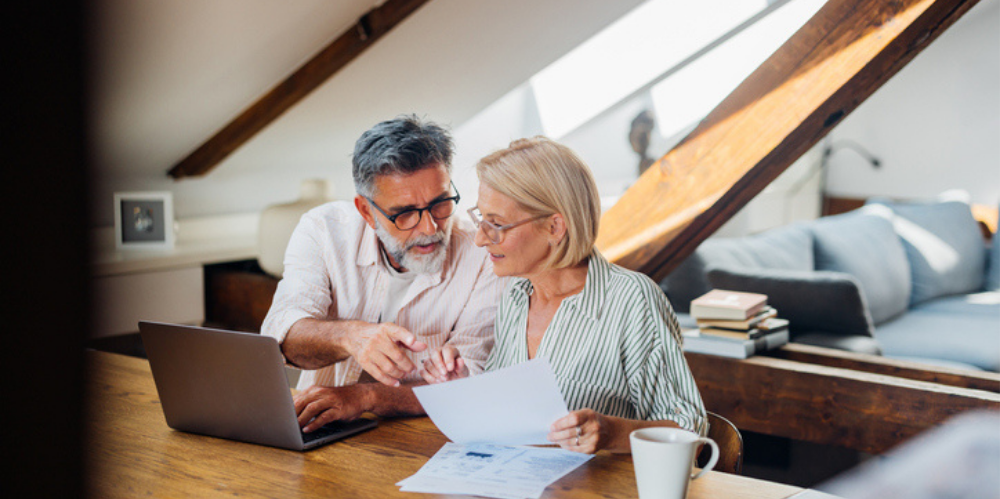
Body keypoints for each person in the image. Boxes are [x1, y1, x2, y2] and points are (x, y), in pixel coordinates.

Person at [420, 136, 707, 454]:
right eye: (481, 218)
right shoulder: (515, 294)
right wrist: (462, 386)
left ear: (555, 227)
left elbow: (689, 430)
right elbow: (510, 416)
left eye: (497, 224)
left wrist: (611, 433)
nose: (480, 239)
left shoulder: (632, 300)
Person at [261, 115, 504, 432]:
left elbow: (472, 381)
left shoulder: (484, 254)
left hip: (429, 437)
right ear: (366, 211)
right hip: (322, 433)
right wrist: (351, 337)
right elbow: (282, 336)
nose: (430, 228)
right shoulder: (323, 230)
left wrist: (366, 397)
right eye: (405, 214)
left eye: (441, 203)